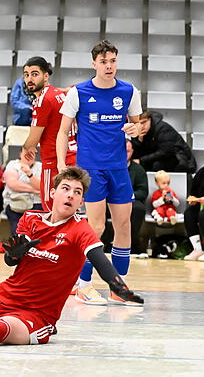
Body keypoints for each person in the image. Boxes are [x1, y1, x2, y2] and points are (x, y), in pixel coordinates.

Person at [0, 167, 144, 350]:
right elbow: (10, 262)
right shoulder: (31, 219)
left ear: (81, 202)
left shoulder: (80, 229)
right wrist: (13, 254)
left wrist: (118, 285)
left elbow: (99, 259)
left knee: (0, 328)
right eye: (66, 188)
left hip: (38, 312)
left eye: (77, 192)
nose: (71, 195)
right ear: (53, 193)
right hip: (5, 294)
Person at [56, 39, 142, 306]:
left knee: (124, 225)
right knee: (96, 227)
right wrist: (61, 165)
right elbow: (62, 131)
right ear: (94, 63)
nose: (109, 66)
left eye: (113, 61)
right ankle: (83, 285)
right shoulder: (78, 92)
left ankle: (118, 287)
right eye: (104, 61)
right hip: (90, 169)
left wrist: (135, 129)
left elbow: (138, 126)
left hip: (119, 168)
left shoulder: (129, 91)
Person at [21, 56, 77, 212]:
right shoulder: (58, 93)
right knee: (67, 212)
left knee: (51, 210)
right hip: (71, 158)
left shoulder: (43, 100)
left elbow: (32, 141)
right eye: (26, 75)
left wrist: (26, 148)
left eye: (34, 74)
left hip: (54, 163)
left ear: (46, 76)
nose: (29, 79)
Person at [101, 140, 148, 256]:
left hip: (131, 200)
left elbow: (143, 191)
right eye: (122, 151)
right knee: (99, 207)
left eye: (127, 151)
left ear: (132, 152)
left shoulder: (138, 170)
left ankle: (130, 243)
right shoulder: (107, 168)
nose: (124, 154)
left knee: (138, 208)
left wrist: (128, 195)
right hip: (110, 200)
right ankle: (106, 242)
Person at [131, 110, 196, 172]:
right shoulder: (138, 132)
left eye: (144, 122)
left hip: (180, 160)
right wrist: (139, 141)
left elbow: (166, 152)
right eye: (139, 124)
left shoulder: (163, 129)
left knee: (156, 165)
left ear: (150, 120)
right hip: (159, 159)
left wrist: (142, 160)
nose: (141, 126)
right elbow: (135, 154)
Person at [2, 149, 42, 236]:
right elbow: (13, 184)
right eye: (26, 153)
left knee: (34, 226)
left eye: (32, 153)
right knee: (17, 226)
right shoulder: (13, 164)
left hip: (35, 203)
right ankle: (19, 242)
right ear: (20, 154)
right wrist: (33, 190)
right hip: (15, 202)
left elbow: (40, 187)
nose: (29, 156)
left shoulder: (40, 166)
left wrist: (29, 173)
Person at [10, 57, 53, 126]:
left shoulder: (46, 86)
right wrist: (29, 108)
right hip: (22, 117)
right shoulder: (19, 83)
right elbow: (14, 102)